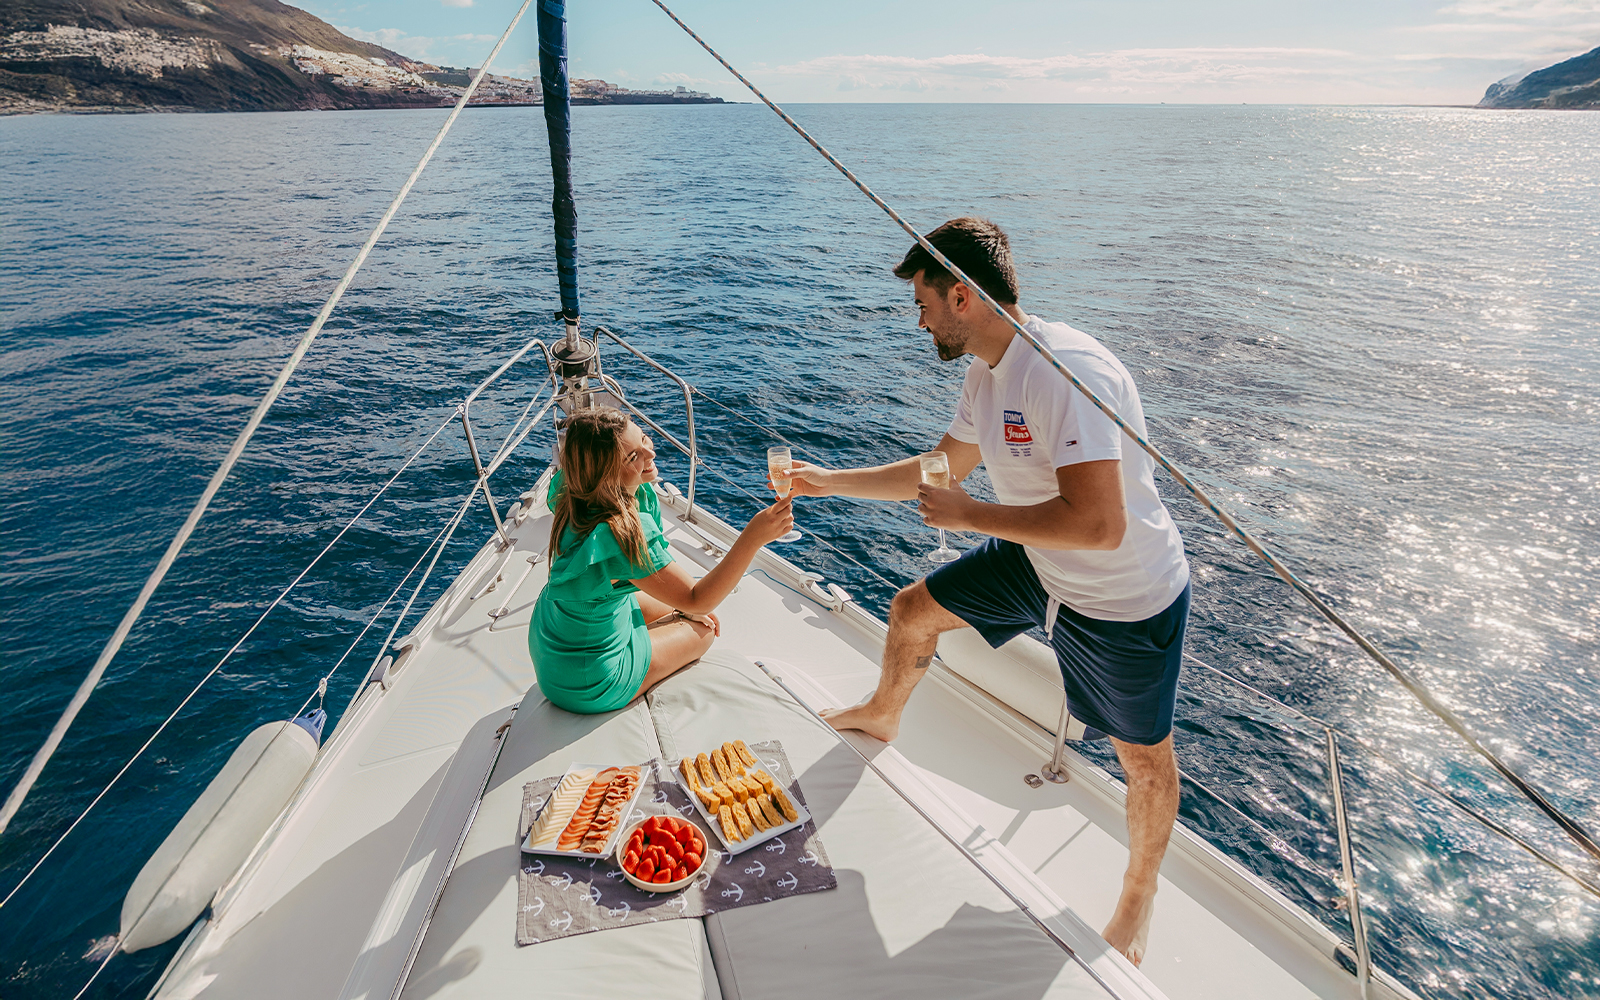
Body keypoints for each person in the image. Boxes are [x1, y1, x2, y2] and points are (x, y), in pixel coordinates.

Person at [786, 217, 1190, 967]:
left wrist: (971, 514)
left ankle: (1138, 896)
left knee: (1142, 761)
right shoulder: (987, 373)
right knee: (913, 611)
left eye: (923, 302)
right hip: (1040, 564)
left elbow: (1101, 525)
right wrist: (824, 482)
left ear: (962, 296)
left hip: (1120, 598)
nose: (919, 319)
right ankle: (883, 713)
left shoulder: (1067, 372)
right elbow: (938, 470)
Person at [529, 407, 794, 714]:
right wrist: (754, 537)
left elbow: (644, 585)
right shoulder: (621, 532)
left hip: (553, 640)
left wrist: (682, 608)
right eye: (632, 457)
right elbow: (698, 599)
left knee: (675, 608)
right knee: (704, 631)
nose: (649, 454)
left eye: (644, 440)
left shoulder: (577, 491)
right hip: (586, 680)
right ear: (605, 475)